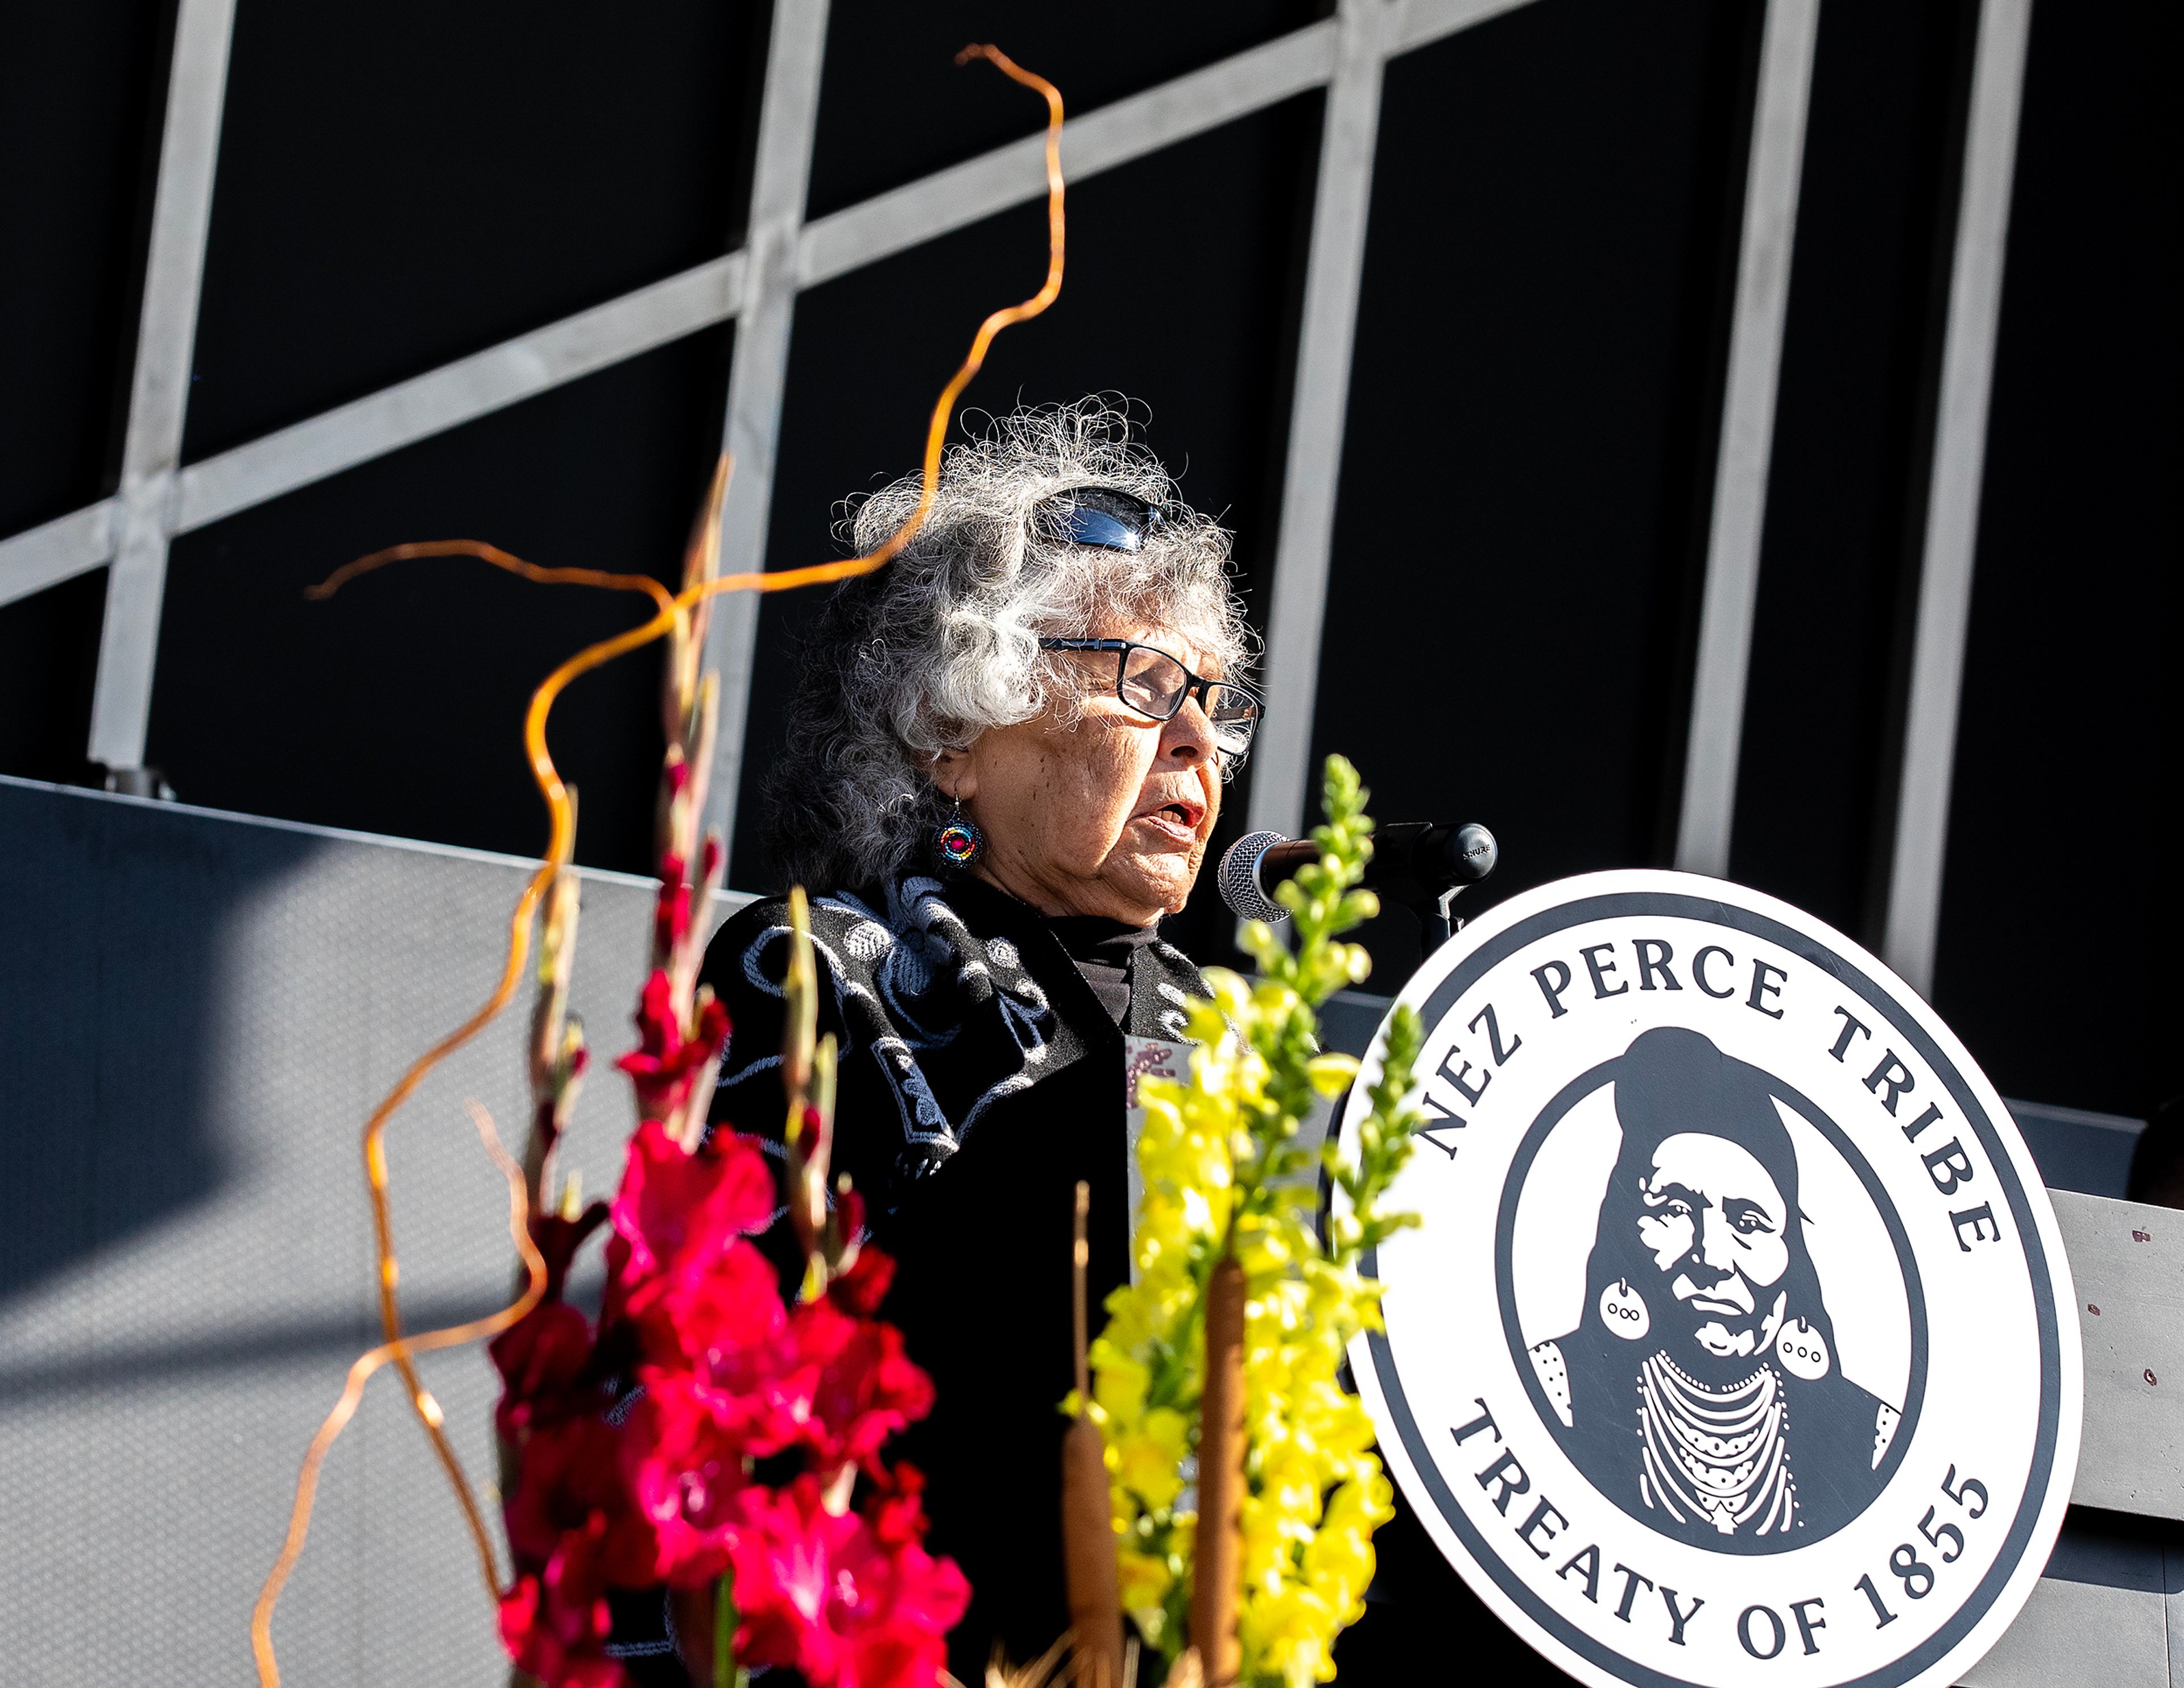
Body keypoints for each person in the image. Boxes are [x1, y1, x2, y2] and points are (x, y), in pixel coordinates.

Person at [697, 402, 1259, 1674]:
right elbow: (751, 1407)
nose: (1197, 742)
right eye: (1145, 684)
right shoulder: (817, 973)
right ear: (957, 732)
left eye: (1210, 705)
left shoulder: (1233, 1046)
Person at [1528, 1027, 1902, 1551]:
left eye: (1749, 1223)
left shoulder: (1874, 1441)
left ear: (1792, 1254)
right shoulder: (1550, 1390)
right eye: (1677, 1211)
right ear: (1625, 1226)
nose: (1713, 1257)